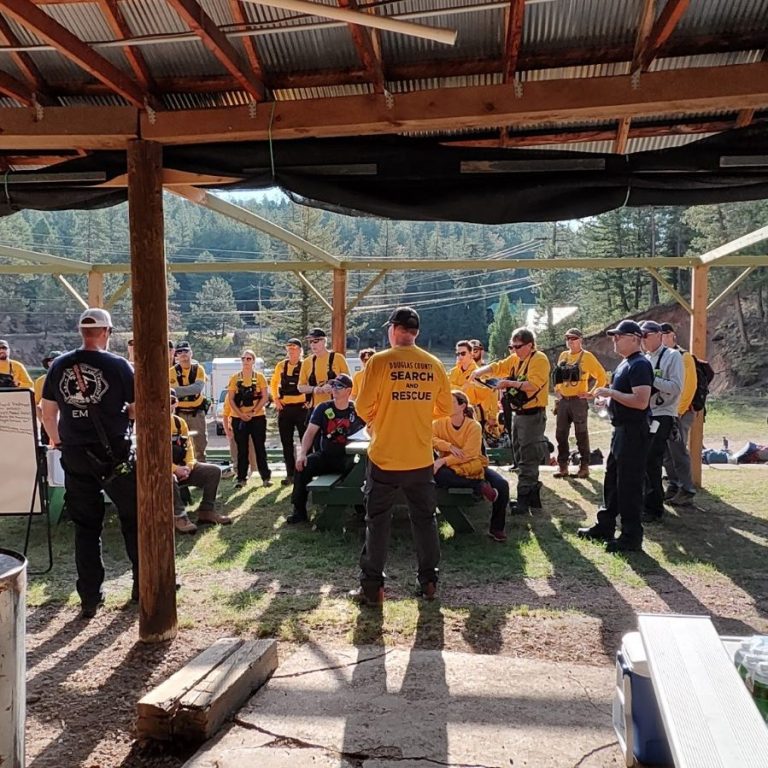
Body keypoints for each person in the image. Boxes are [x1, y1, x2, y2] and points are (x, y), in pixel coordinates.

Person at [40, 308, 138, 618]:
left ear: (81, 332)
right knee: (133, 518)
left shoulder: (59, 365)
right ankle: (142, 585)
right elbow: (138, 407)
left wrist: (59, 442)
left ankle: (90, 597)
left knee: (85, 527)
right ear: (107, 332)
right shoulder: (119, 365)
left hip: (75, 453)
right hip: (114, 454)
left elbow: (47, 413)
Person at [353, 306, 452, 605]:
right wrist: (418, 414)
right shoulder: (433, 363)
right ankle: (429, 581)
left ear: (394, 330)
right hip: (420, 456)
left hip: (385, 456)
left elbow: (362, 407)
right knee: (425, 520)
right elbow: (446, 408)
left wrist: (385, 415)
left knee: (377, 521)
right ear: (416, 332)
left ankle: (373, 588)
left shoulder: (379, 361)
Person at [578, 320, 653, 553]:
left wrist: (611, 392)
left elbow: (641, 401)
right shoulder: (626, 363)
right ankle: (606, 525)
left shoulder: (640, 364)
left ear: (634, 338)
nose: (614, 340)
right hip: (621, 430)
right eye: (614, 337)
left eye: (619, 336)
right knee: (612, 480)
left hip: (633, 431)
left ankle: (631, 536)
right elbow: (625, 397)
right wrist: (608, 401)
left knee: (629, 484)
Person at [470, 328, 550, 514]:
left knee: (528, 457)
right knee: (520, 454)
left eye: (518, 346)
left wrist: (508, 383)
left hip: (533, 415)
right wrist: (480, 371)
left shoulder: (539, 359)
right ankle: (532, 496)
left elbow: (533, 385)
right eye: (512, 346)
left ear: (530, 345)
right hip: (519, 414)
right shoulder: (516, 359)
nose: (514, 350)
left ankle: (524, 498)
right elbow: (499, 366)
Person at [432, 390, 510, 542]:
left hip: (476, 466)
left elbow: (469, 454)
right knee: (439, 475)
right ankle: (478, 486)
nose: (446, 406)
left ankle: (497, 528)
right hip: (453, 470)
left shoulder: (474, 426)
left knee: (502, 485)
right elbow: (428, 437)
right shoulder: (439, 423)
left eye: (451, 402)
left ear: (462, 406)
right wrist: (448, 446)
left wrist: (443, 461)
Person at [287, 373, 364, 524]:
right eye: (333, 385)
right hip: (326, 456)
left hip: (348, 458)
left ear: (348, 391)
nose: (334, 388)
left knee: (361, 470)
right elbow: (310, 433)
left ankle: (361, 509)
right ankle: (299, 511)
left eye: (339, 386)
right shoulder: (323, 408)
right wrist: (302, 454)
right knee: (303, 466)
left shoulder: (356, 410)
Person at [639, 320, 683, 523]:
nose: (643, 340)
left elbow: (676, 387)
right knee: (644, 459)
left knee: (652, 459)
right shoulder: (645, 358)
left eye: (646, 335)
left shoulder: (673, 356)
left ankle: (654, 508)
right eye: (640, 336)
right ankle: (645, 502)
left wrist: (650, 379)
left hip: (663, 413)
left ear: (658, 335)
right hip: (646, 414)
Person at [170, 392, 229, 533]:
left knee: (213, 471)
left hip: (183, 468)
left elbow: (189, 447)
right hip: (162, 471)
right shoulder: (150, 423)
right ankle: (179, 516)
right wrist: (174, 469)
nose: (168, 405)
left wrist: (189, 466)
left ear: (176, 403)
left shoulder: (179, 422)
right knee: (170, 478)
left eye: (172, 401)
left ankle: (206, 511)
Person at [552, 328, 607, 479]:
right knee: (560, 434)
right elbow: (557, 376)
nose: (570, 341)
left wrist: (591, 393)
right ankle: (563, 467)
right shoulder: (563, 355)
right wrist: (557, 390)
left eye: (573, 338)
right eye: (567, 338)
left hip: (578, 401)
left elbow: (602, 377)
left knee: (581, 434)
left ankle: (584, 467)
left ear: (580, 340)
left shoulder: (587, 357)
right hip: (563, 401)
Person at [660, 322, 697, 507]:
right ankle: (674, 485)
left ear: (672, 335)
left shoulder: (684, 357)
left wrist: (678, 412)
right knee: (666, 452)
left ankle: (687, 489)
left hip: (680, 412)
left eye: (664, 334)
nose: (661, 338)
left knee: (678, 451)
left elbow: (689, 387)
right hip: (667, 412)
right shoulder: (662, 357)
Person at [227, 348, 271, 488]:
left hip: (257, 417)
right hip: (238, 418)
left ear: (253, 361)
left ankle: (265, 477)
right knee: (242, 449)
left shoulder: (259, 377)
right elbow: (231, 399)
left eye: (248, 359)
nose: (245, 361)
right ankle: (241, 478)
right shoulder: (235, 378)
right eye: (243, 358)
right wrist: (240, 414)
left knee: (260, 447)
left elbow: (265, 397)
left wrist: (253, 411)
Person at [270, 338, 307, 486]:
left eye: (294, 348)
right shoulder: (281, 366)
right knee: (287, 443)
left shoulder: (305, 365)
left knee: (306, 441)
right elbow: (273, 383)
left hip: (302, 409)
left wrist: (309, 401)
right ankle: (290, 474)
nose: (291, 351)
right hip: (285, 409)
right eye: (289, 348)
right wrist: (276, 400)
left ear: (300, 350)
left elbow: (311, 382)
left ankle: (306, 473)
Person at [170, 340, 208, 462]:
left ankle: (201, 468)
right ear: (176, 355)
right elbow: (171, 392)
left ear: (191, 353)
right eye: (179, 352)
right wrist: (189, 390)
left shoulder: (199, 369)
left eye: (185, 351)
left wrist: (179, 390)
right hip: (179, 414)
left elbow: (197, 388)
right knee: (179, 444)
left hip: (196, 413)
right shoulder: (171, 372)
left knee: (200, 445)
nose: (183, 354)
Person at [298, 328, 350, 416]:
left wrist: (333, 388)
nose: (312, 344)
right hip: (315, 409)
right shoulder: (307, 362)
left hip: (337, 408)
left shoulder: (338, 358)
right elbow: (300, 387)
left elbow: (349, 383)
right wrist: (314, 389)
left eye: (316, 341)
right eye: (310, 341)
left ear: (324, 341)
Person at [34, 350, 62, 445]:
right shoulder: (40, 381)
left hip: (66, 423)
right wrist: (44, 422)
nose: (54, 363)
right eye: (52, 361)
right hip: (48, 422)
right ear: (48, 363)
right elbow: (36, 404)